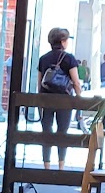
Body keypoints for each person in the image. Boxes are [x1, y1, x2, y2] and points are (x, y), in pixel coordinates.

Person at [35, 28, 87, 166]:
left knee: (46, 131)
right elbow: (76, 82)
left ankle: (46, 166)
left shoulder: (43, 59)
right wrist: (79, 98)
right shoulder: (69, 58)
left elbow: (39, 82)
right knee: (62, 132)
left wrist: (39, 99)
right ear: (63, 42)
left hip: (46, 99)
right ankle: (60, 166)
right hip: (65, 100)